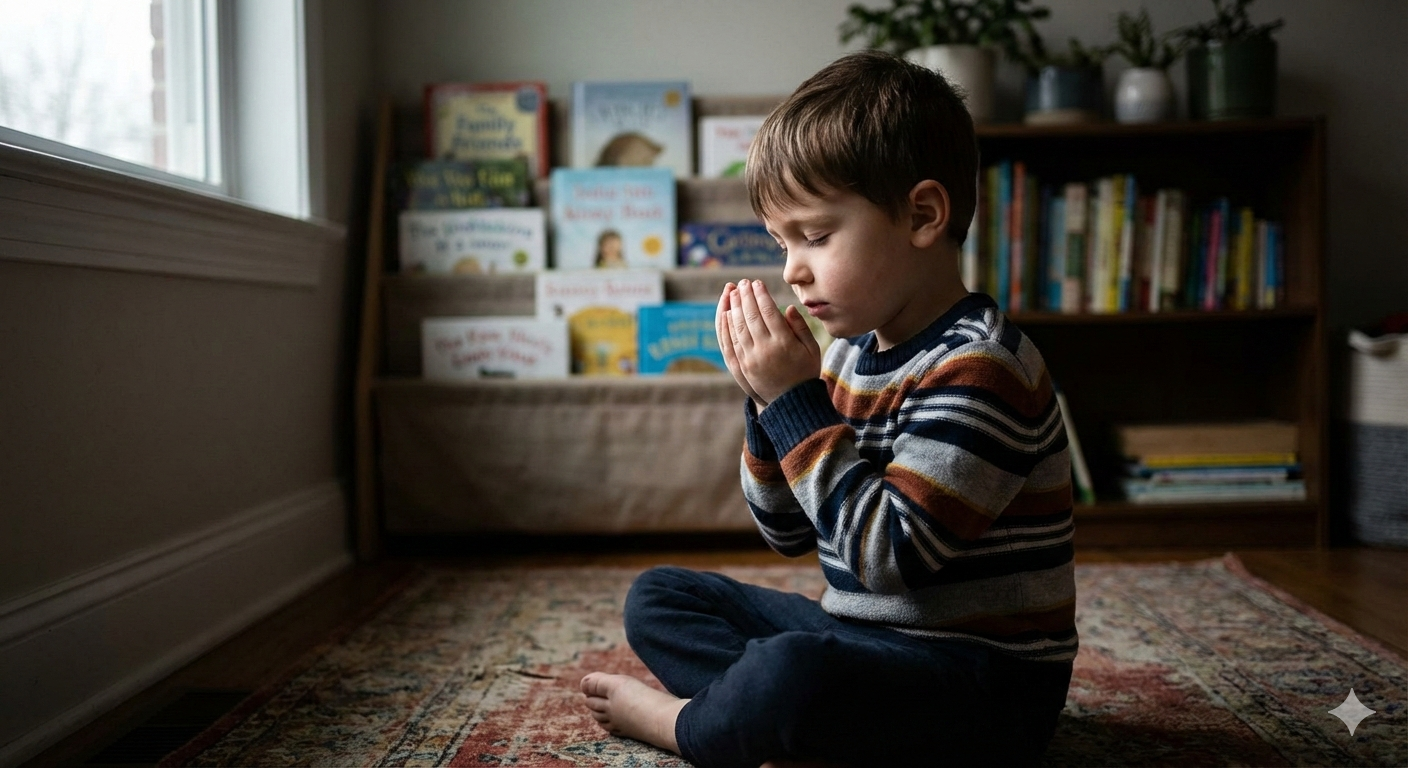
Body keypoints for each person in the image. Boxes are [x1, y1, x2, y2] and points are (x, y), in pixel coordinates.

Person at [580, 49, 1076, 768]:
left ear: (922, 215)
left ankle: (690, 725)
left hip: (982, 685)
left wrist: (793, 402)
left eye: (815, 236)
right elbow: (785, 530)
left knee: (792, 671)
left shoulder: (981, 368)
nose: (792, 269)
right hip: (863, 641)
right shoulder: (844, 355)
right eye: (781, 242)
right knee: (660, 598)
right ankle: (777, 717)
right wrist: (767, 403)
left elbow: (888, 557)